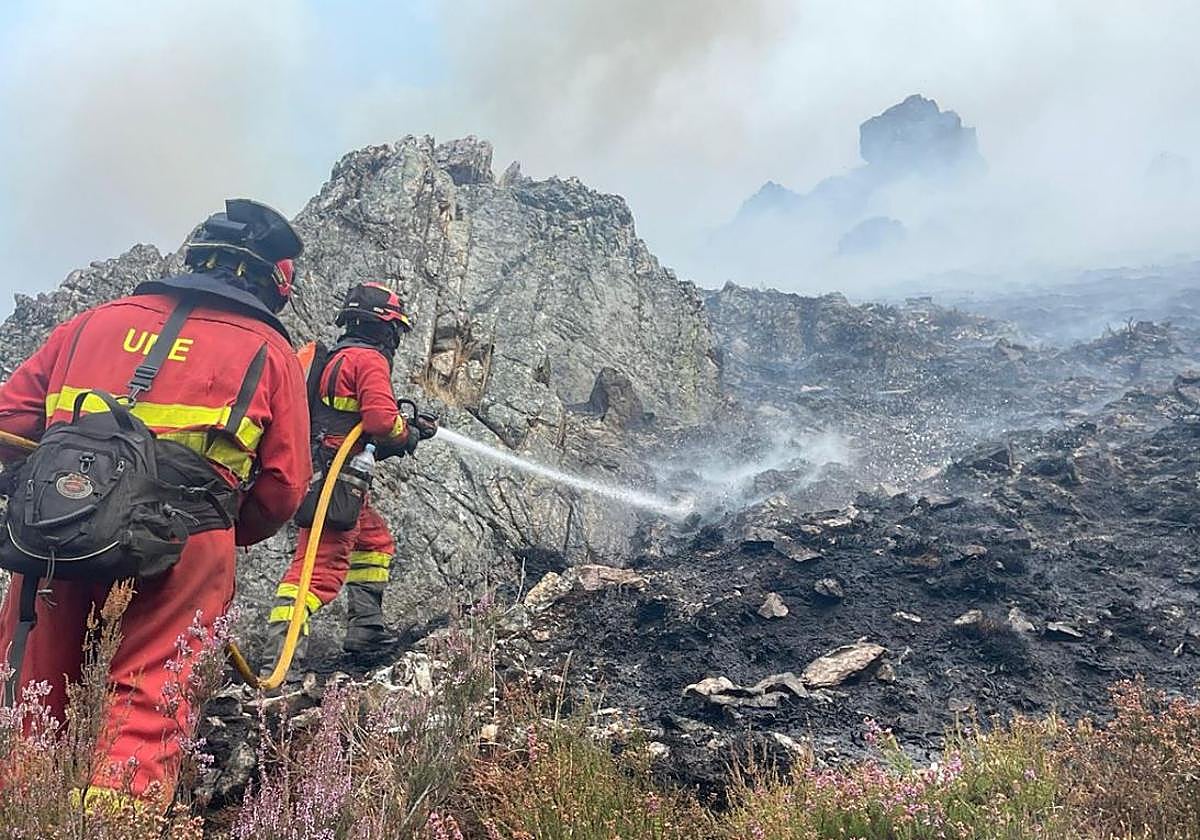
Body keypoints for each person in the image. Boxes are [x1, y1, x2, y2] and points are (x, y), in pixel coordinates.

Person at [0, 199, 312, 804]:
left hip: (58, 533)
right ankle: (115, 817)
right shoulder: (269, 352)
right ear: (273, 281)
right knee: (148, 697)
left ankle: (22, 813)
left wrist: (63, 490)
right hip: (182, 539)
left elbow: (10, 424)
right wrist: (225, 531)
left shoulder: (91, 323)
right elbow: (282, 488)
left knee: (32, 700)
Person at [264, 281, 436, 676]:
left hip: (327, 474)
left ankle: (366, 630)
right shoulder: (368, 360)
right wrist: (407, 433)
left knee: (375, 543)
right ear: (384, 327)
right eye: (395, 329)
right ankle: (281, 662)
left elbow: (350, 426)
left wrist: (404, 431)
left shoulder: (335, 358)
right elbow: (380, 422)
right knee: (317, 573)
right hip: (338, 483)